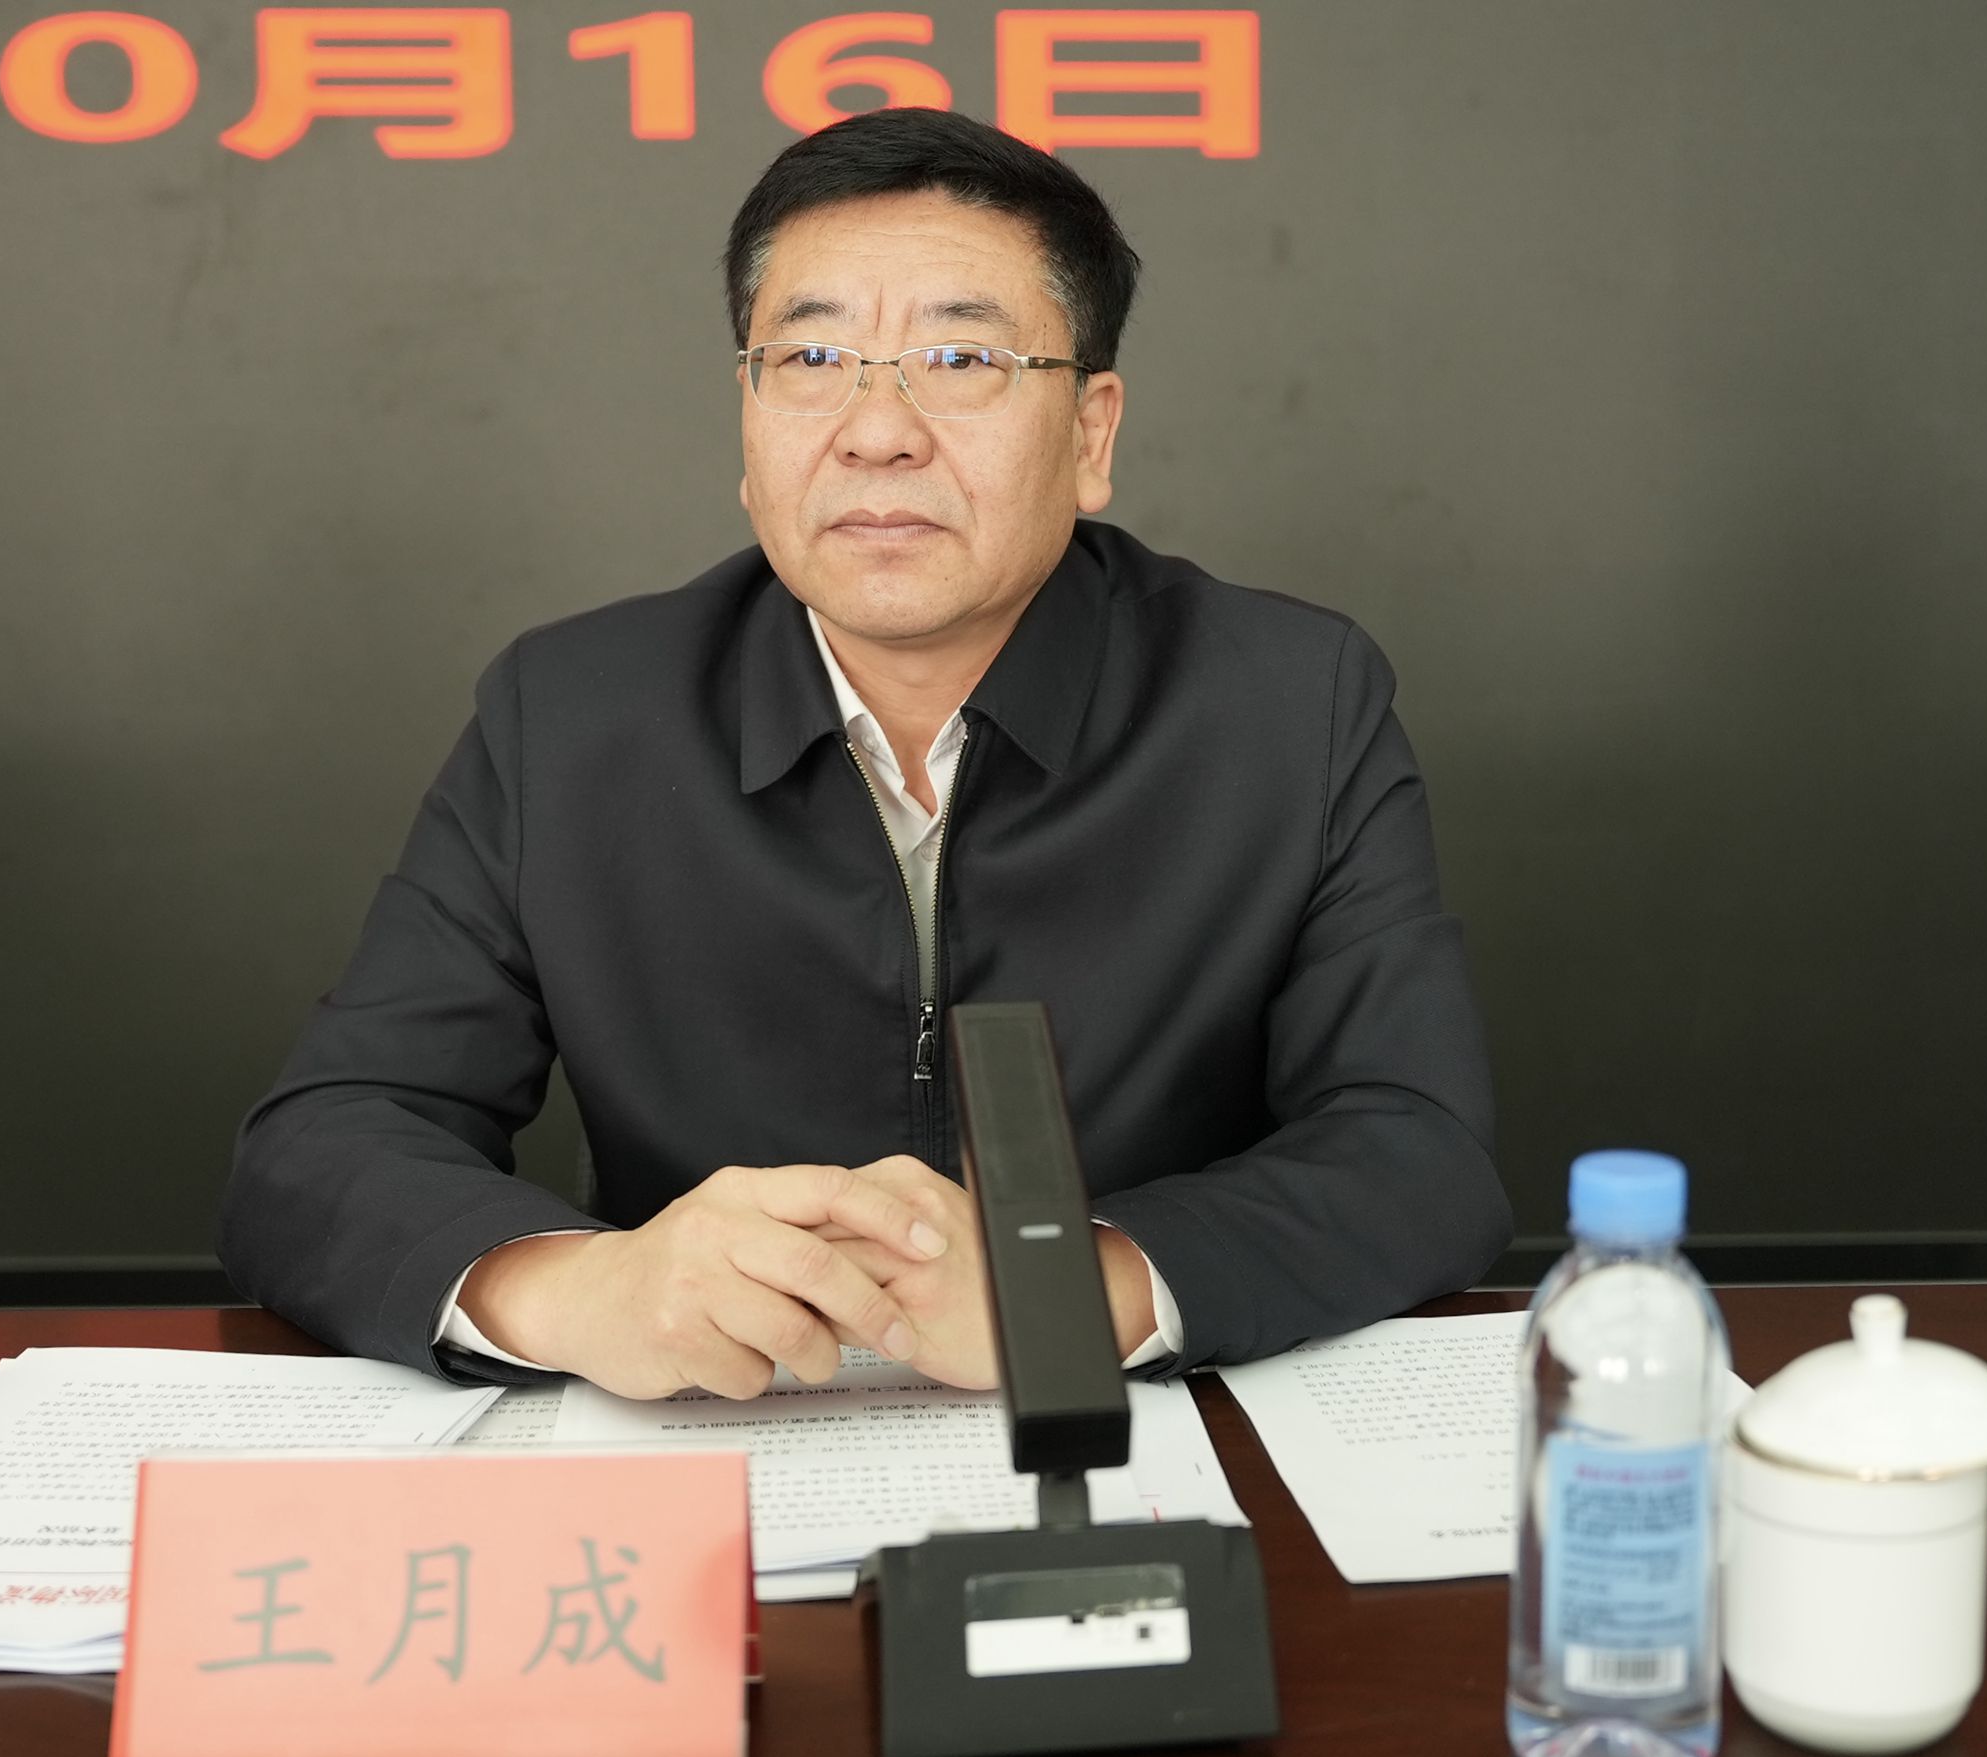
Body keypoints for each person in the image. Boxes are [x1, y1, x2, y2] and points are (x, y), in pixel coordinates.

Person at [219, 107, 1509, 1400]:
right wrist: (577, 1289)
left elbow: (1414, 1151)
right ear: (747, 420)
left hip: (1123, 1438)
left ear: (1090, 434)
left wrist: (1070, 1293)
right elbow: (324, 1143)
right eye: (813, 357)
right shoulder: (567, 716)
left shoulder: (1288, 701)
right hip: (715, 1438)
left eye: (958, 357)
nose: (875, 429)